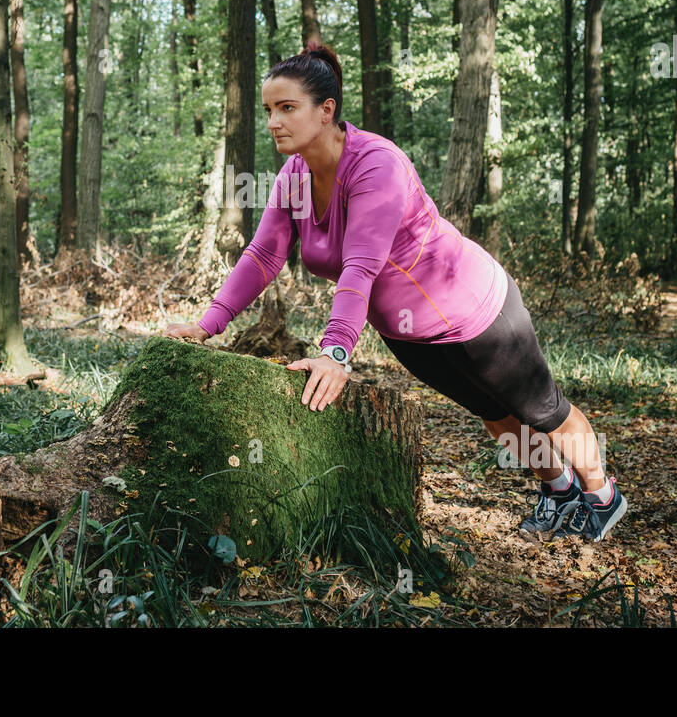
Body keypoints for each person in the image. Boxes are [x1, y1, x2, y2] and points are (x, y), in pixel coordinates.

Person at [164, 43, 627, 542]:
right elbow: (263, 256)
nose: (274, 121)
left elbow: (360, 265)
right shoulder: (293, 177)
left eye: (287, 108)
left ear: (326, 111)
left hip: (476, 311)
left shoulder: (376, 165)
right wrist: (209, 322)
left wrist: (335, 352)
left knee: (543, 412)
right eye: (270, 110)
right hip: (409, 335)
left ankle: (602, 497)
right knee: (494, 412)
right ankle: (558, 492)